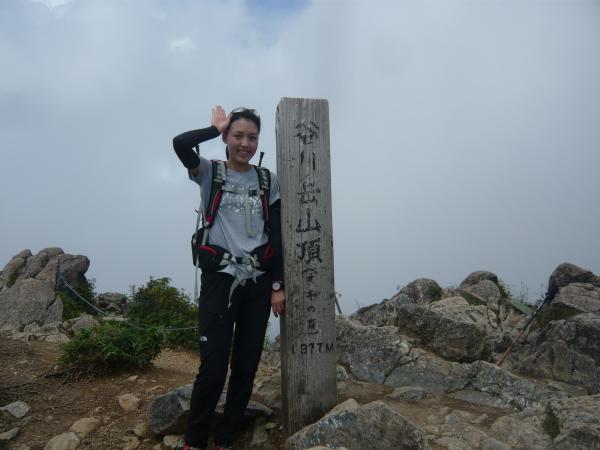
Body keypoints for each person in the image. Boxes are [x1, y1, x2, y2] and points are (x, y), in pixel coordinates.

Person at [172, 106, 285, 450]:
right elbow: (180, 143)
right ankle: (195, 440)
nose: (245, 143)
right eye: (237, 136)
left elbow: (276, 235)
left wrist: (277, 285)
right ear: (226, 138)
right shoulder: (210, 172)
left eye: (252, 137)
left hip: (258, 283)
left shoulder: (267, 181)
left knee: (246, 365)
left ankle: (226, 438)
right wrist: (213, 128)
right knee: (213, 367)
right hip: (220, 280)